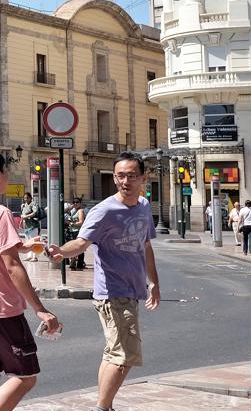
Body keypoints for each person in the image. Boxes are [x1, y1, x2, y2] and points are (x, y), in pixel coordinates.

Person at [49, 152, 160, 411]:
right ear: (114, 178)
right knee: (125, 355)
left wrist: (153, 282)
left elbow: (146, 245)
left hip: (132, 291)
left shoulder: (143, 206)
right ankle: (101, 407)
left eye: (132, 176)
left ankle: (104, 406)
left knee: (114, 353)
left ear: (142, 178)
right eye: (121, 175)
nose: (126, 181)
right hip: (112, 292)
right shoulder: (103, 211)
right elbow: (82, 242)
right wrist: (61, 252)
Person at [0, 149, 60, 411]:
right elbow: (12, 267)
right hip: (2, 308)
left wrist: (22, 245)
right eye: (6, 171)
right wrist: (41, 310)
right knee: (24, 376)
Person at [66, 197, 87, 271]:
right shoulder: (73, 210)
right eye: (74, 202)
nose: (75, 203)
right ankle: (73, 263)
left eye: (77, 202)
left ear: (80, 203)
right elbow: (65, 211)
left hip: (78, 231)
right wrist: (70, 207)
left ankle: (80, 264)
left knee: (79, 248)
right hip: (72, 231)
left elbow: (81, 222)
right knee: (73, 247)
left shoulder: (80, 211)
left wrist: (72, 223)